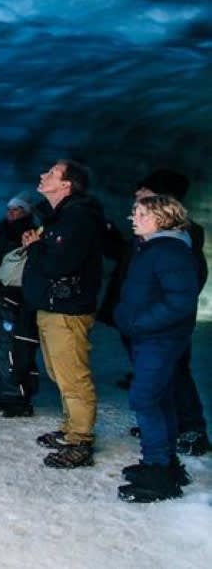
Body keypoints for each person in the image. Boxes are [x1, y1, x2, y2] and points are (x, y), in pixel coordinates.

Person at [100, 169, 209, 456]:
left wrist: (151, 318)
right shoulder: (147, 234)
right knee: (155, 380)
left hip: (159, 325)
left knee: (174, 373)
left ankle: (192, 428)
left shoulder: (183, 235)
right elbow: (127, 260)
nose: (137, 195)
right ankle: (164, 426)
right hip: (140, 322)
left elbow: (184, 284)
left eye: (144, 190)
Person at [114, 195, 200, 502]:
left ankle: (159, 474)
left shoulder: (170, 250)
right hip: (150, 336)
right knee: (159, 397)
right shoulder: (154, 247)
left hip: (159, 338)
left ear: (161, 217)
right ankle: (165, 465)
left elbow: (180, 301)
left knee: (145, 398)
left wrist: (140, 323)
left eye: (139, 213)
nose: (132, 217)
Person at [22, 159, 105, 469]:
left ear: (67, 184)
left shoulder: (77, 217)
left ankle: (81, 440)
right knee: (61, 373)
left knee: (73, 376)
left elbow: (60, 263)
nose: (43, 175)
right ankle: (72, 429)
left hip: (67, 310)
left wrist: (36, 246)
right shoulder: (63, 216)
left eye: (52, 173)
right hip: (54, 307)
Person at [0, 192, 39, 416]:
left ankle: (15, 397)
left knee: (10, 349)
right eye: (9, 209)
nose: (11, 213)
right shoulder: (2, 230)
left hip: (14, 298)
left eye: (17, 209)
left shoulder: (28, 232)